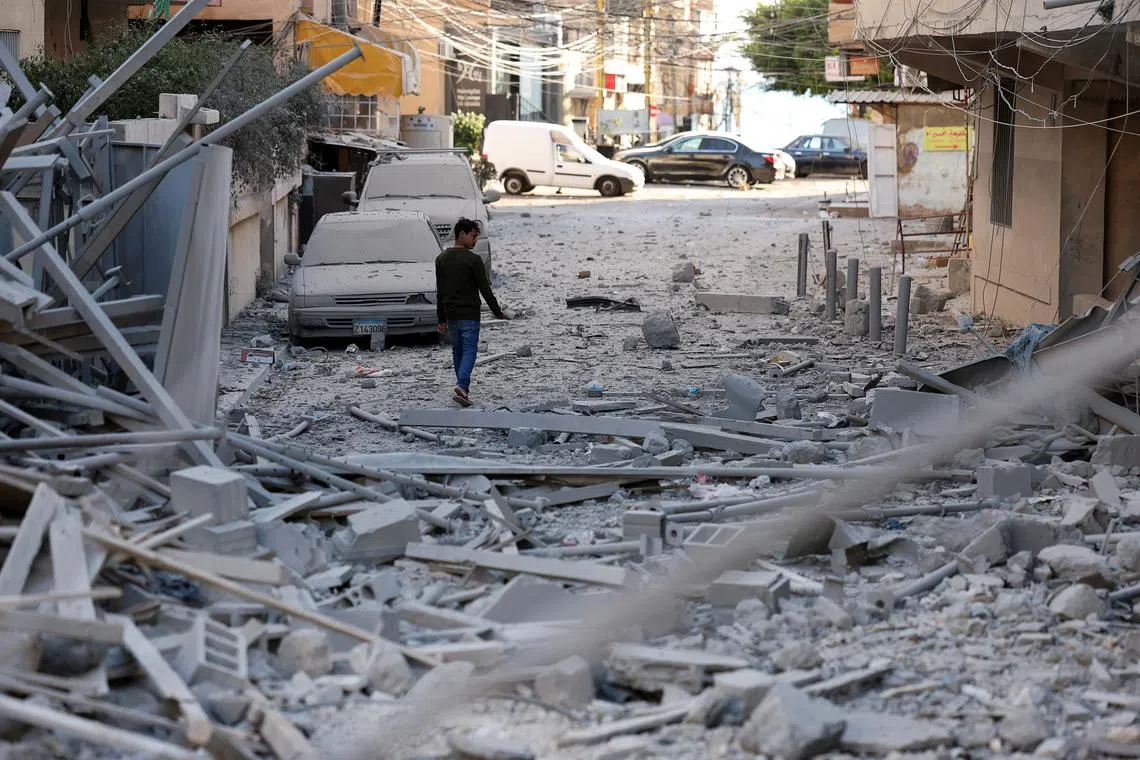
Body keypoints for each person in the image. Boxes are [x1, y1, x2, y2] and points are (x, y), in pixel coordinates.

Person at [435, 218, 508, 406]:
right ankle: (461, 384)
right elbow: (485, 289)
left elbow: (440, 291)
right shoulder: (474, 260)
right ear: (462, 235)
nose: (475, 241)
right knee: (469, 350)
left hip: (451, 314)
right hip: (469, 315)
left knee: (458, 350)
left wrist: (441, 319)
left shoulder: (441, 259)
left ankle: (463, 389)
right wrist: (497, 311)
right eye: (473, 236)